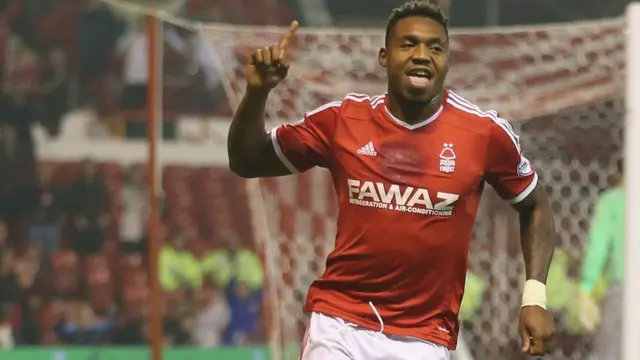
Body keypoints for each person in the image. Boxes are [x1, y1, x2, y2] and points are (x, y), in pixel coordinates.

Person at [227, 2, 556, 359]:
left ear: (447, 60)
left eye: (435, 48)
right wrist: (257, 93)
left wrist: (534, 298)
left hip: (424, 336)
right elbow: (247, 161)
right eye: (408, 44)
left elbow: (535, 206)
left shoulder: (483, 133)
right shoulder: (343, 120)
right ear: (384, 56)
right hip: (340, 322)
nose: (422, 55)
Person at [578, 157, 624, 360]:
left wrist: (586, 289)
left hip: (624, 290)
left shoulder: (613, 201)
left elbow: (598, 247)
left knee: (611, 352)